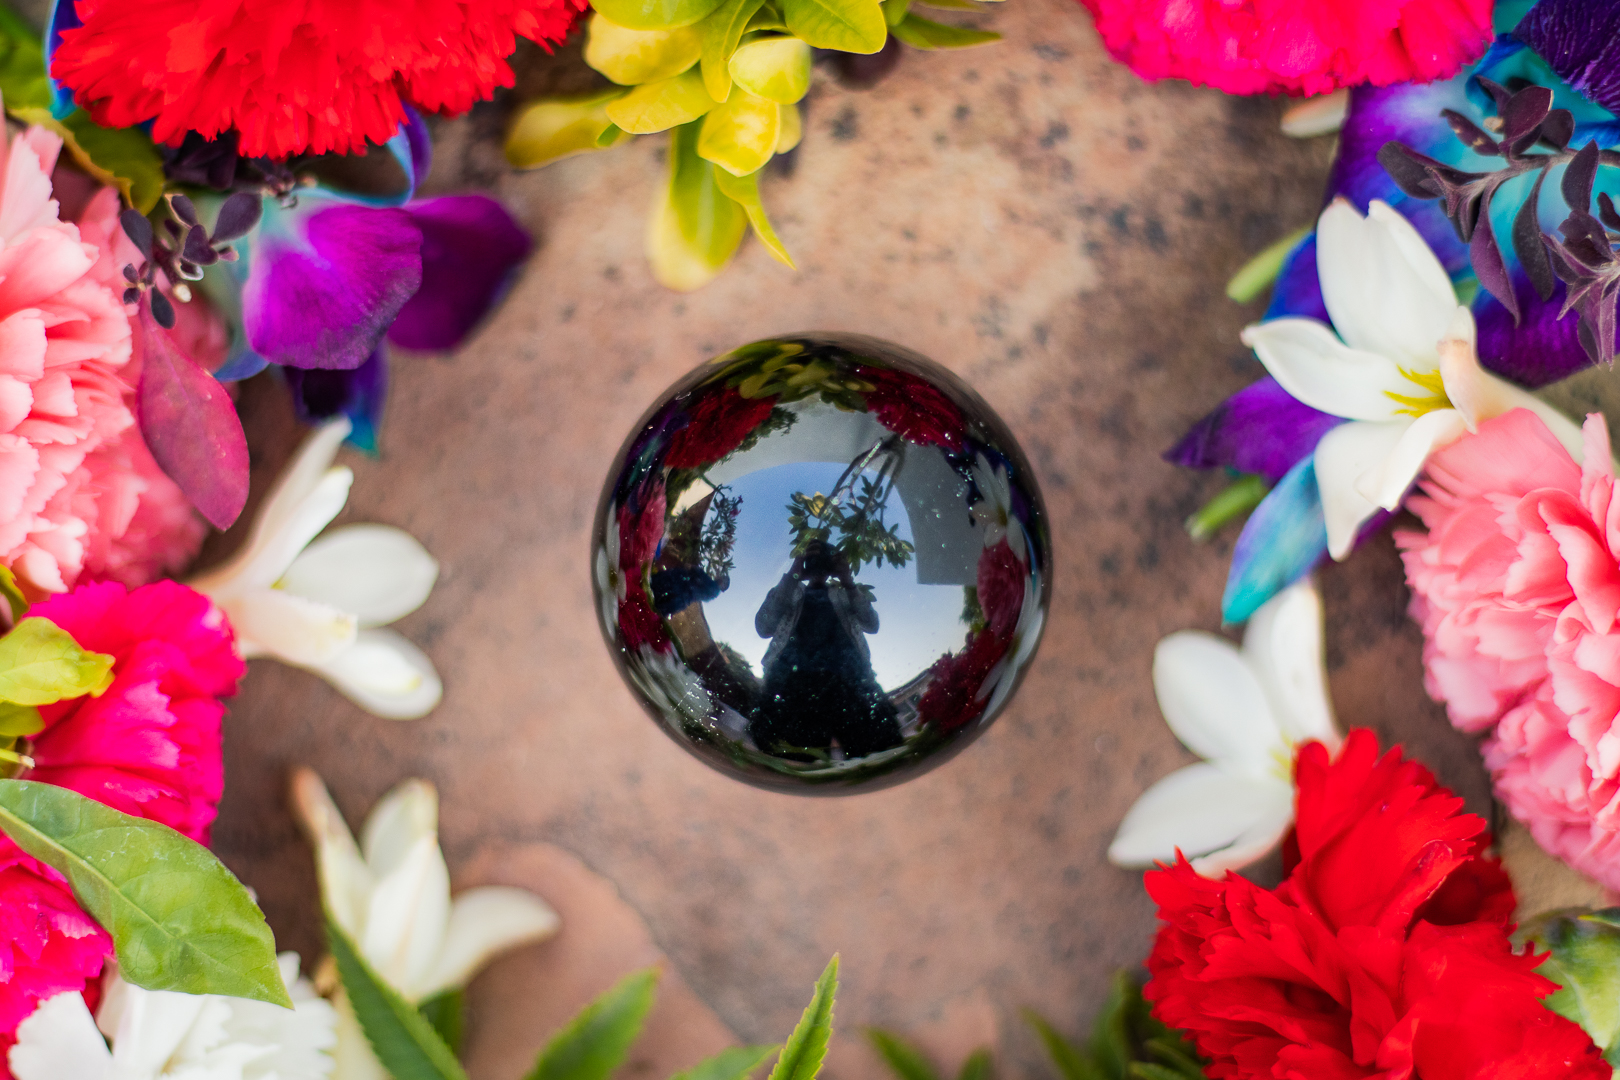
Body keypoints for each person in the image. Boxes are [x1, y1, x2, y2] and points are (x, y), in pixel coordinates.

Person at [751, 540, 903, 759]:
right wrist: (795, 573)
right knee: (785, 763)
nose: (819, 564)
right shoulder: (789, 592)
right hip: (788, 686)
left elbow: (872, 624)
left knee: (884, 754)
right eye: (813, 557)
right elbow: (763, 627)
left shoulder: (845, 593)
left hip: (854, 682)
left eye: (825, 558)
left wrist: (848, 582)